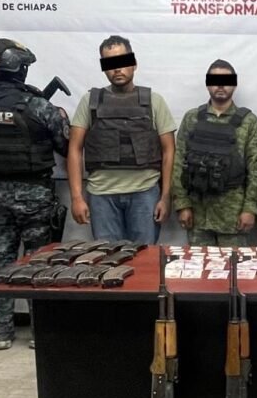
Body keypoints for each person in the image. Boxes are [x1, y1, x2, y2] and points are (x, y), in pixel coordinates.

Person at [0, 38, 70, 350]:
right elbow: (65, 146)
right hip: (36, 195)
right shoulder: (39, 106)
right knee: (39, 264)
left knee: (1, 262)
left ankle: (2, 332)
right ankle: (40, 333)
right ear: (21, 69)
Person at [67, 35, 177, 243]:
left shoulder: (154, 101)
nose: (117, 69)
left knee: (144, 258)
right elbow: (74, 149)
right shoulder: (90, 101)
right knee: (107, 259)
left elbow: (169, 151)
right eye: (110, 63)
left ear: (133, 63)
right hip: (101, 195)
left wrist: (165, 197)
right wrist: (76, 197)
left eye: (122, 61)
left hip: (145, 193)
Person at [172, 59, 257, 247]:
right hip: (198, 214)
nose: (220, 85)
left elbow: (255, 168)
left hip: (233, 216)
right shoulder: (192, 118)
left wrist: (249, 209)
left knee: (234, 265)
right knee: (200, 265)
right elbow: (179, 162)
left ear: (234, 85)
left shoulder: (248, 121)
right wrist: (182, 204)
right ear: (208, 84)